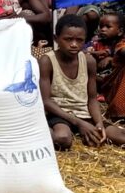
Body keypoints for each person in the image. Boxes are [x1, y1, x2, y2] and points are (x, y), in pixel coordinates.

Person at [40, 15, 125, 150]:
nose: (74, 44)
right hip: (59, 114)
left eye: (79, 40)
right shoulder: (47, 61)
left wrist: (98, 123)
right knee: (63, 139)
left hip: (83, 114)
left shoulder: (88, 61)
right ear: (56, 39)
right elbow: (46, 101)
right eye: (68, 39)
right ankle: (42, 129)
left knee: (119, 136)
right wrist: (78, 123)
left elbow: (92, 99)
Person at [86, 11, 124, 95]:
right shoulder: (96, 41)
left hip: (113, 77)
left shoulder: (120, 43)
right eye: (101, 26)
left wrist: (110, 59)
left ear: (120, 31)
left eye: (108, 27)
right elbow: (84, 51)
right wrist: (94, 53)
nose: (103, 29)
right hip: (97, 74)